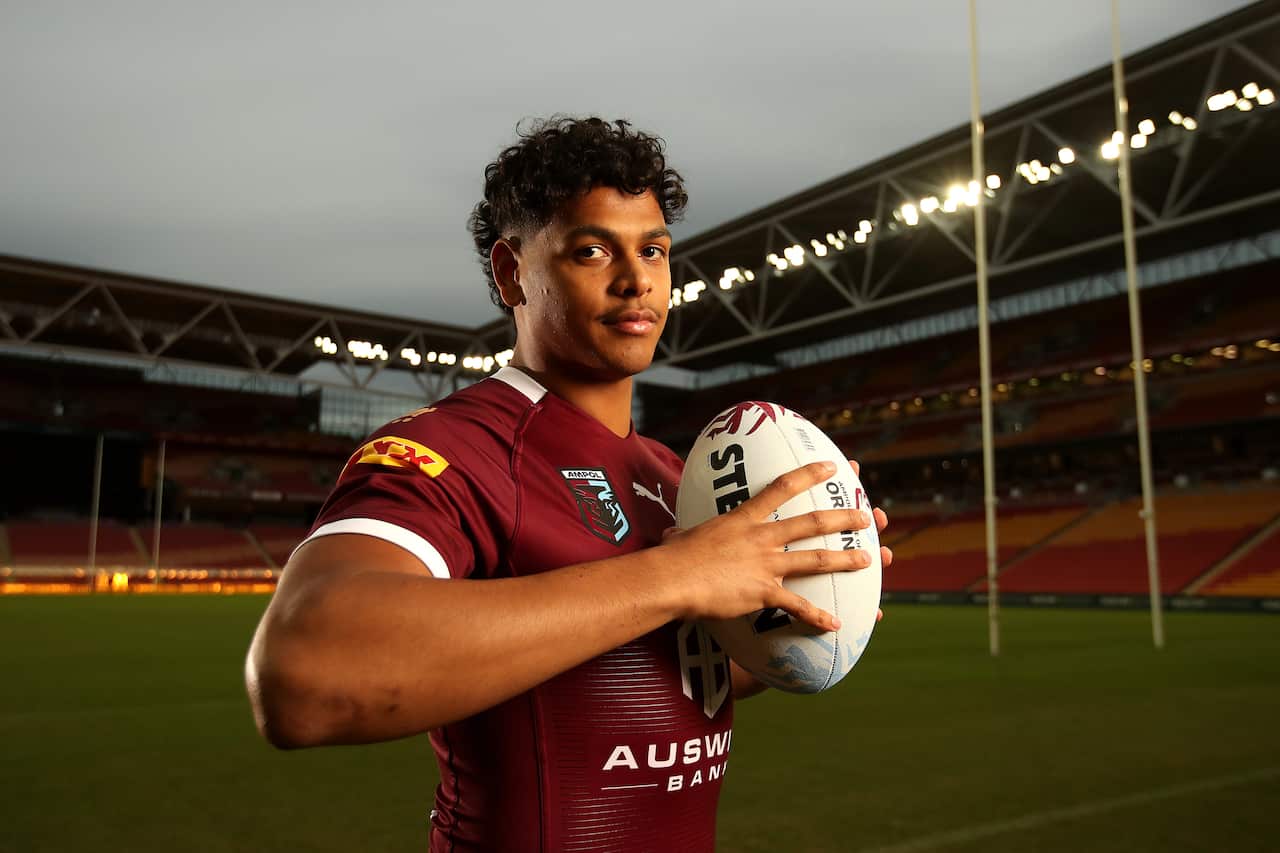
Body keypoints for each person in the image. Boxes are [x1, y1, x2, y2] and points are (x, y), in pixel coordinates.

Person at [245, 116, 892, 852]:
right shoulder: (454, 447)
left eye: (653, 250)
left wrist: (801, 607)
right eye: (592, 250)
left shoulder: (675, 475)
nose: (637, 279)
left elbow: (666, 669)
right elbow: (301, 676)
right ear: (511, 271)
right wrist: (677, 573)